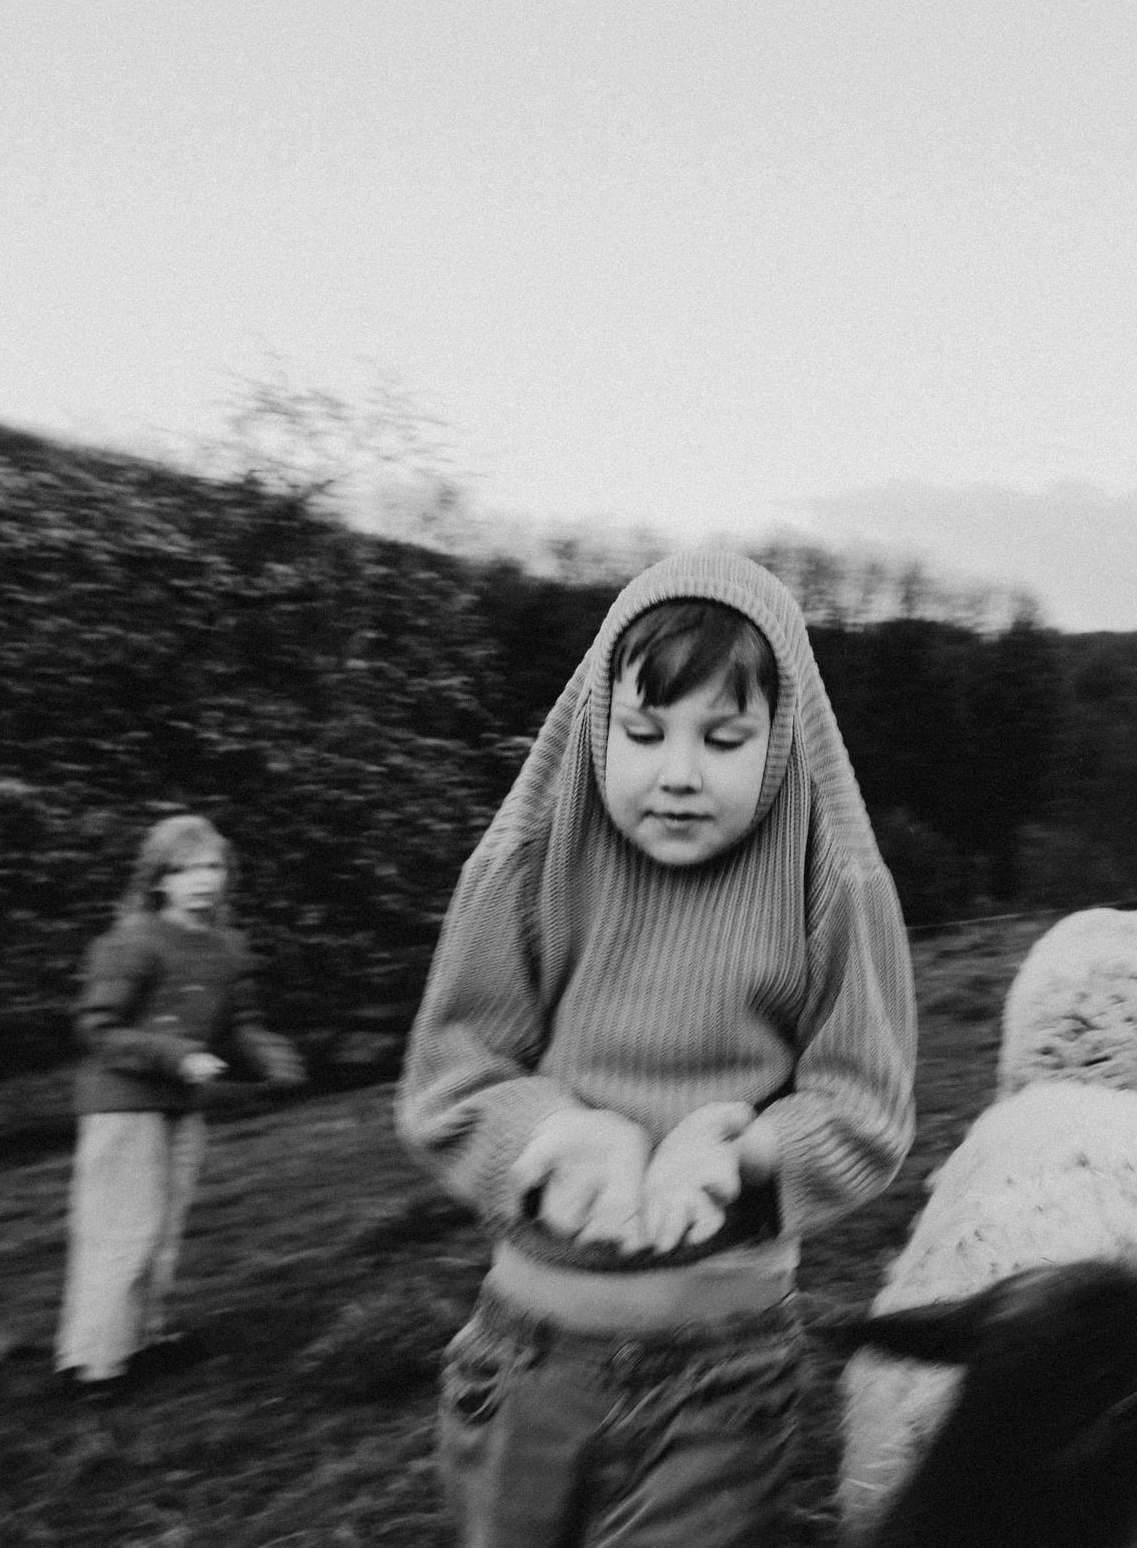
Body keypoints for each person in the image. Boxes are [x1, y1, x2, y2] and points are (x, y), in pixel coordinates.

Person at [397, 549, 917, 1548]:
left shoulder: (834, 885)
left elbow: (867, 1112)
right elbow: (449, 1081)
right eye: (642, 733)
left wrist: (743, 1155)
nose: (677, 774)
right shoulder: (530, 862)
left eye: (723, 738)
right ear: (596, 729)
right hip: (526, 1361)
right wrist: (552, 1137)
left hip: (722, 1371)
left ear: (780, 742)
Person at [56, 812, 308, 1394]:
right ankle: (95, 1363)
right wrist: (175, 1054)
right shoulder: (130, 942)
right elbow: (98, 1029)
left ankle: (140, 1341)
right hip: (122, 1106)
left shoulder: (225, 946)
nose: (203, 879)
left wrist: (266, 1054)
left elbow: (237, 1024)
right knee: (122, 1230)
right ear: (159, 880)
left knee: (162, 1230)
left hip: (180, 1106)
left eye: (213, 866)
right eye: (185, 869)